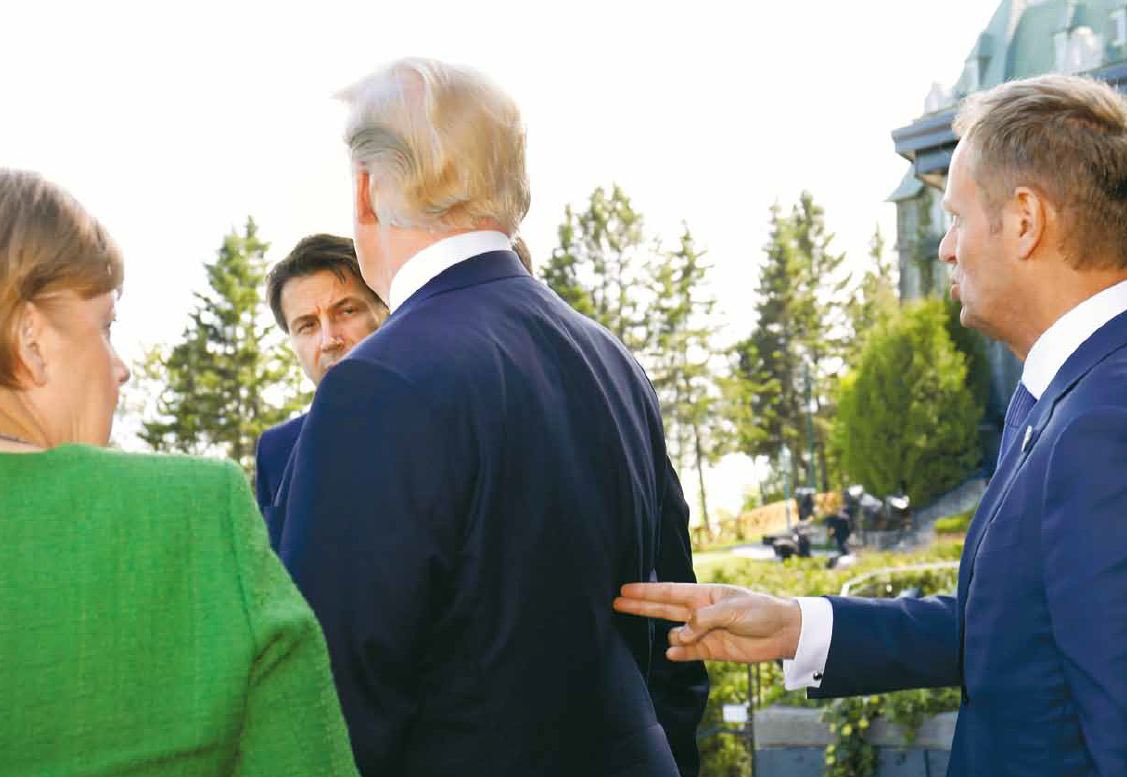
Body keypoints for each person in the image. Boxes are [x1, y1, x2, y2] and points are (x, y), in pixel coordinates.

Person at [615, 73, 1127, 776]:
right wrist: (796, 626)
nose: (945, 249)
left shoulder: (1104, 426)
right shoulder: (1064, 398)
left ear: (1024, 221)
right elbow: (1006, 631)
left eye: (956, 217)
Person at [273, 58, 708, 776]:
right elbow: (671, 624)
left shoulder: (376, 383)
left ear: (364, 189)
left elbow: (331, 698)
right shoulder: (610, 358)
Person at [0, 169, 359, 776]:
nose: (121, 369)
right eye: (105, 327)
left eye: (347, 311)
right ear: (30, 338)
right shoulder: (195, 512)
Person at [256, 234, 388, 516]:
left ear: (386, 312)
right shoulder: (276, 451)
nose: (328, 340)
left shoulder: (445, 419)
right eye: (307, 326)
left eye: (347, 311)